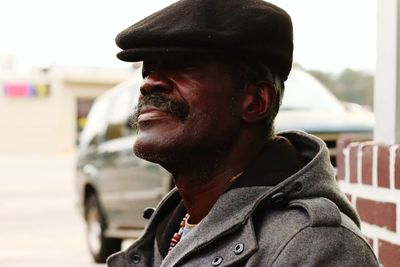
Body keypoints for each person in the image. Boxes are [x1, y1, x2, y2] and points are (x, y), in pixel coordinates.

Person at [108, 0, 379, 266]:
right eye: (149, 70)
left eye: (185, 66)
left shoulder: (315, 245)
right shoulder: (170, 227)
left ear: (255, 102)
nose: (150, 83)